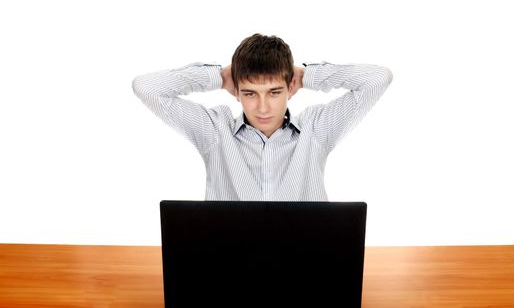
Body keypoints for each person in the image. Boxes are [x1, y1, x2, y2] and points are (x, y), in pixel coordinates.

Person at [132, 33, 392, 201]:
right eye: (250, 93)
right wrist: (220, 77)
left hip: (304, 266)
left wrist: (304, 76)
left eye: (274, 92)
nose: (263, 107)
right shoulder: (214, 131)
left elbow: (377, 79)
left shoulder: (317, 128)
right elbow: (147, 87)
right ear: (236, 91)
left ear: (290, 88)